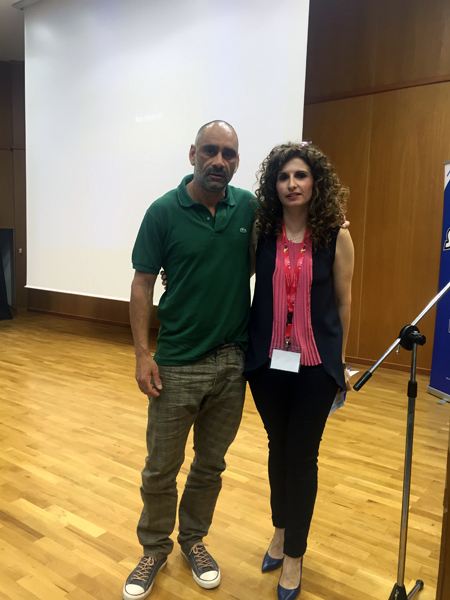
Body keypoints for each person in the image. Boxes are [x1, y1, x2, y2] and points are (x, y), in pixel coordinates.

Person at [123, 120, 257, 600]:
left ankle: (194, 540)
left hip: (232, 363)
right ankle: (153, 548)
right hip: (176, 362)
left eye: (228, 154)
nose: (218, 161)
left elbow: (286, 242)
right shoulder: (163, 211)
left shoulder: (248, 207)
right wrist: (143, 354)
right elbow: (142, 283)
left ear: (236, 161)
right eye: (209, 151)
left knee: (210, 465)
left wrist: (335, 224)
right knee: (161, 467)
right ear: (192, 154)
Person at [244, 142, 354, 600]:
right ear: (274, 185)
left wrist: (339, 363)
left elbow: (344, 302)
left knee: (302, 456)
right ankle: (280, 529)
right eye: (284, 176)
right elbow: (235, 277)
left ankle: (294, 556)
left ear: (316, 182)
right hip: (267, 364)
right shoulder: (261, 234)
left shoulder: (336, 237)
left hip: (315, 367)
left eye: (301, 175)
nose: (292, 184)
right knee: (278, 447)